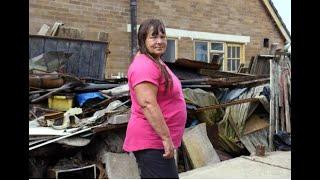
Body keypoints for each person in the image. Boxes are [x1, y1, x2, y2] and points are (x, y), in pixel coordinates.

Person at [123, 19, 187, 179]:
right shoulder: (144, 66)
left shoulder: (155, 61)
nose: (159, 41)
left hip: (157, 141)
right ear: (143, 40)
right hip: (152, 141)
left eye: (162, 36)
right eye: (153, 37)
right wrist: (166, 138)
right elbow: (148, 104)